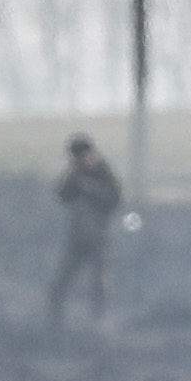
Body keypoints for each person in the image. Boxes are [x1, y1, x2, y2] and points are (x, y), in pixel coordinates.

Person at [50, 134, 124, 325]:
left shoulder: (104, 173)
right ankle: (54, 319)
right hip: (77, 239)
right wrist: (73, 177)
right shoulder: (75, 175)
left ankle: (98, 321)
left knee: (98, 284)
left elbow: (114, 200)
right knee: (61, 280)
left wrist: (93, 189)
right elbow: (62, 195)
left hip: (100, 238)